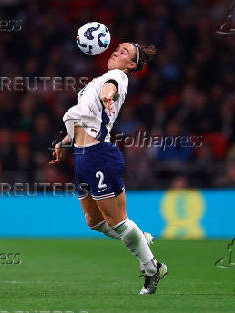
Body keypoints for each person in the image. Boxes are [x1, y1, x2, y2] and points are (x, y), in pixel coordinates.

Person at [49, 42, 167, 294]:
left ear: (132, 65)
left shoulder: (117, 77)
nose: (117, 52)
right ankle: (139, 240)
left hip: (99, 155)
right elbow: (81, 117)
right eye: (118, 49)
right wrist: (64, 142)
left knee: (117, 221)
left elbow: (110, 89)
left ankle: (152, 268)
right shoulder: (96, 82)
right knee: (94, 222)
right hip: (82, 156)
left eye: (125, 52)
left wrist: (108, 96)